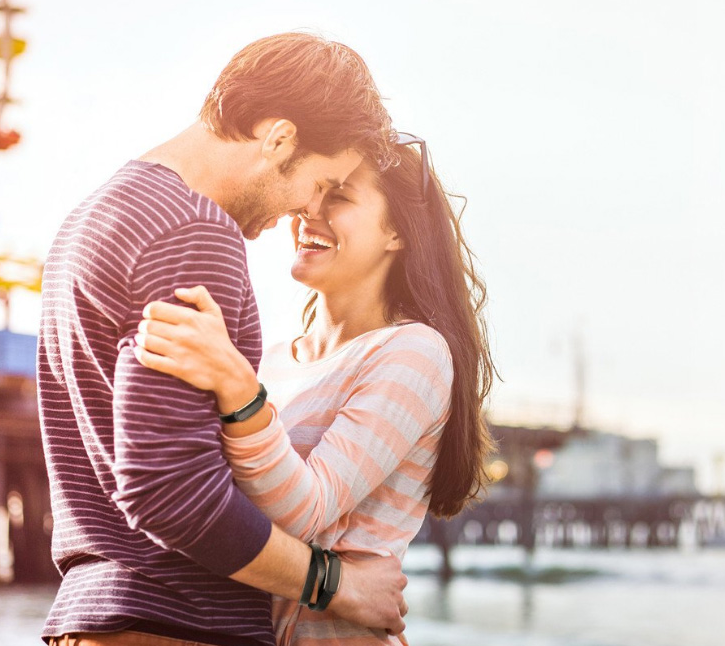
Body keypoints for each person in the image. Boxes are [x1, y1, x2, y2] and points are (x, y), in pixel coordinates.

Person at [37, 32, 409, 646]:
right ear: (280, 139)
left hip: (101, 613)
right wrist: (337, 584)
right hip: (173, 621)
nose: (305, 211)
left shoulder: (95, 214)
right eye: (320, 184)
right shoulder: (194, 229)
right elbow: (170, 491)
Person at [134, 133, 497, 645]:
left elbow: (308, 509)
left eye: (340, 197)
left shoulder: (414, 351)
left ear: (397, 233)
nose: (309, 210)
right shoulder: (273, 359)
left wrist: (237, 387)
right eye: (315, 191)